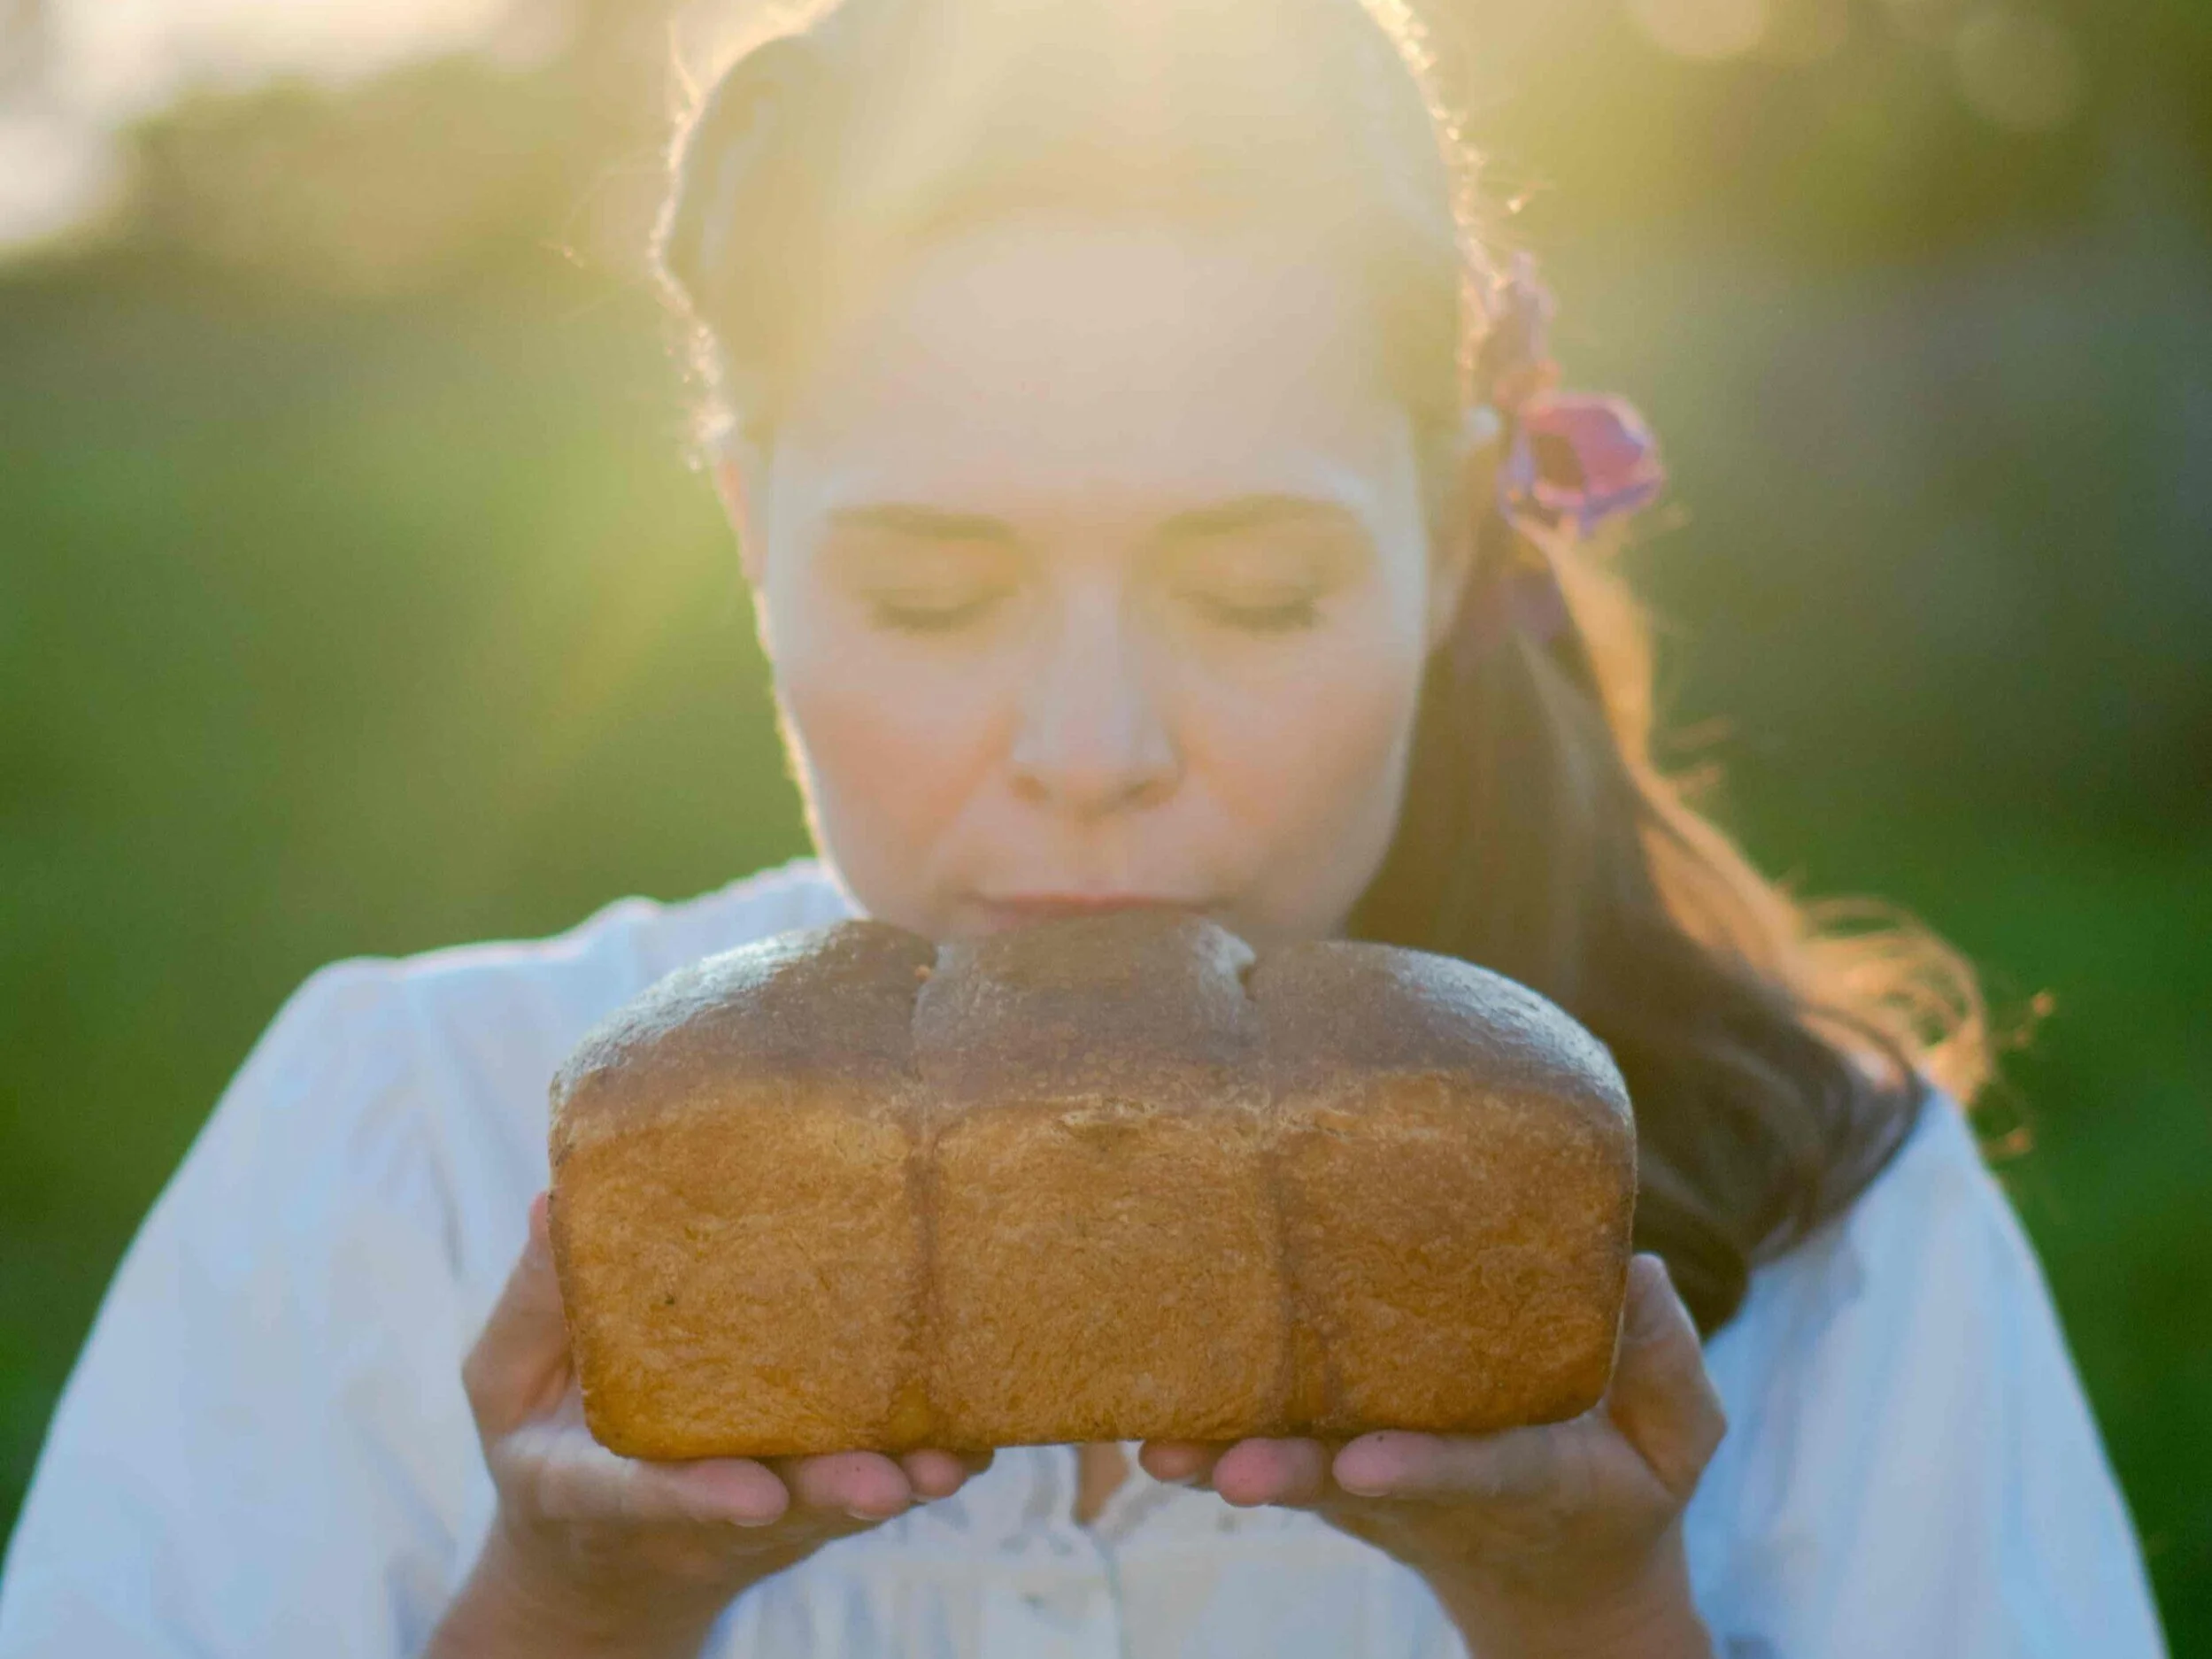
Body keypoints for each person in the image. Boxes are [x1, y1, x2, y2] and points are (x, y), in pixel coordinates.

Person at [0, 0, 2170, 1654]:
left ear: (1439, 547)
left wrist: (1590, 1618)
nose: (1091, 742)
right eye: (934, 593)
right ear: (754, 542)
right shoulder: (402, 1135)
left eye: (1254, 592)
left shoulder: (1818, 1224)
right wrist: (569, 1613)